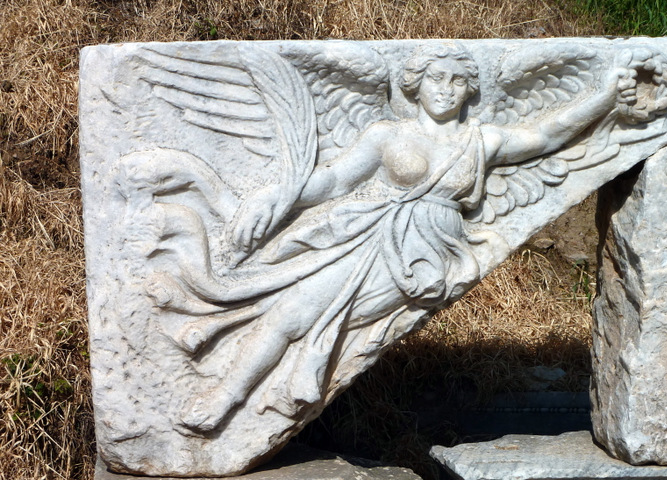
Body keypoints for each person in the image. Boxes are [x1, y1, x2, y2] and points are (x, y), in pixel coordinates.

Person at [177, 43, 635, 433]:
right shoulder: (387, 134)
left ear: (469, 89)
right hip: (366, 233)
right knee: (290, 311)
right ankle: (225, 397)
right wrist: (279, 195)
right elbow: (335, 180)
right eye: (436, 77)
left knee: (315, 318)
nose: (446, 89)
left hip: (427, 256)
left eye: (458, 80)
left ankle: (257, 392)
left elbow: (546, 134)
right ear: (416, 83)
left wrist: (606, 97)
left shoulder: (481, 140)